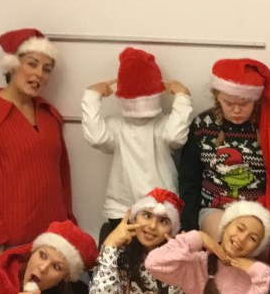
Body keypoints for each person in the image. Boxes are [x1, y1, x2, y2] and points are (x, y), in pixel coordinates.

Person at [0, 28, 74, 259]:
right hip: (8, 243)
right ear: (12, 64)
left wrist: (68, 223)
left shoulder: (48, 115)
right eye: (32, 64)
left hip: (53, 238)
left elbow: (62, 177)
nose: (39, 74)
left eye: (47, 69)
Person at [178, 58, 270, 239]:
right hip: (216, 209)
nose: (236, 110)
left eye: (244, 104)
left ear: (255, 100)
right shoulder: (203, 125)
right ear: (217, 97)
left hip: (260, 208)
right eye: (228, 103)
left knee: (258, 239)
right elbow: (189, 177)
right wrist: (188, 224)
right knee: (229, 237)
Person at [82, 48, 193, 239]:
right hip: (123, 208)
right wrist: (182, 96)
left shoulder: (162, 124)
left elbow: (175, 137)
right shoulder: (118, 125)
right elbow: (96, 138)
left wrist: (92, 96)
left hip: (159, 205)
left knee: (159, 256)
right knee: (123, 254)